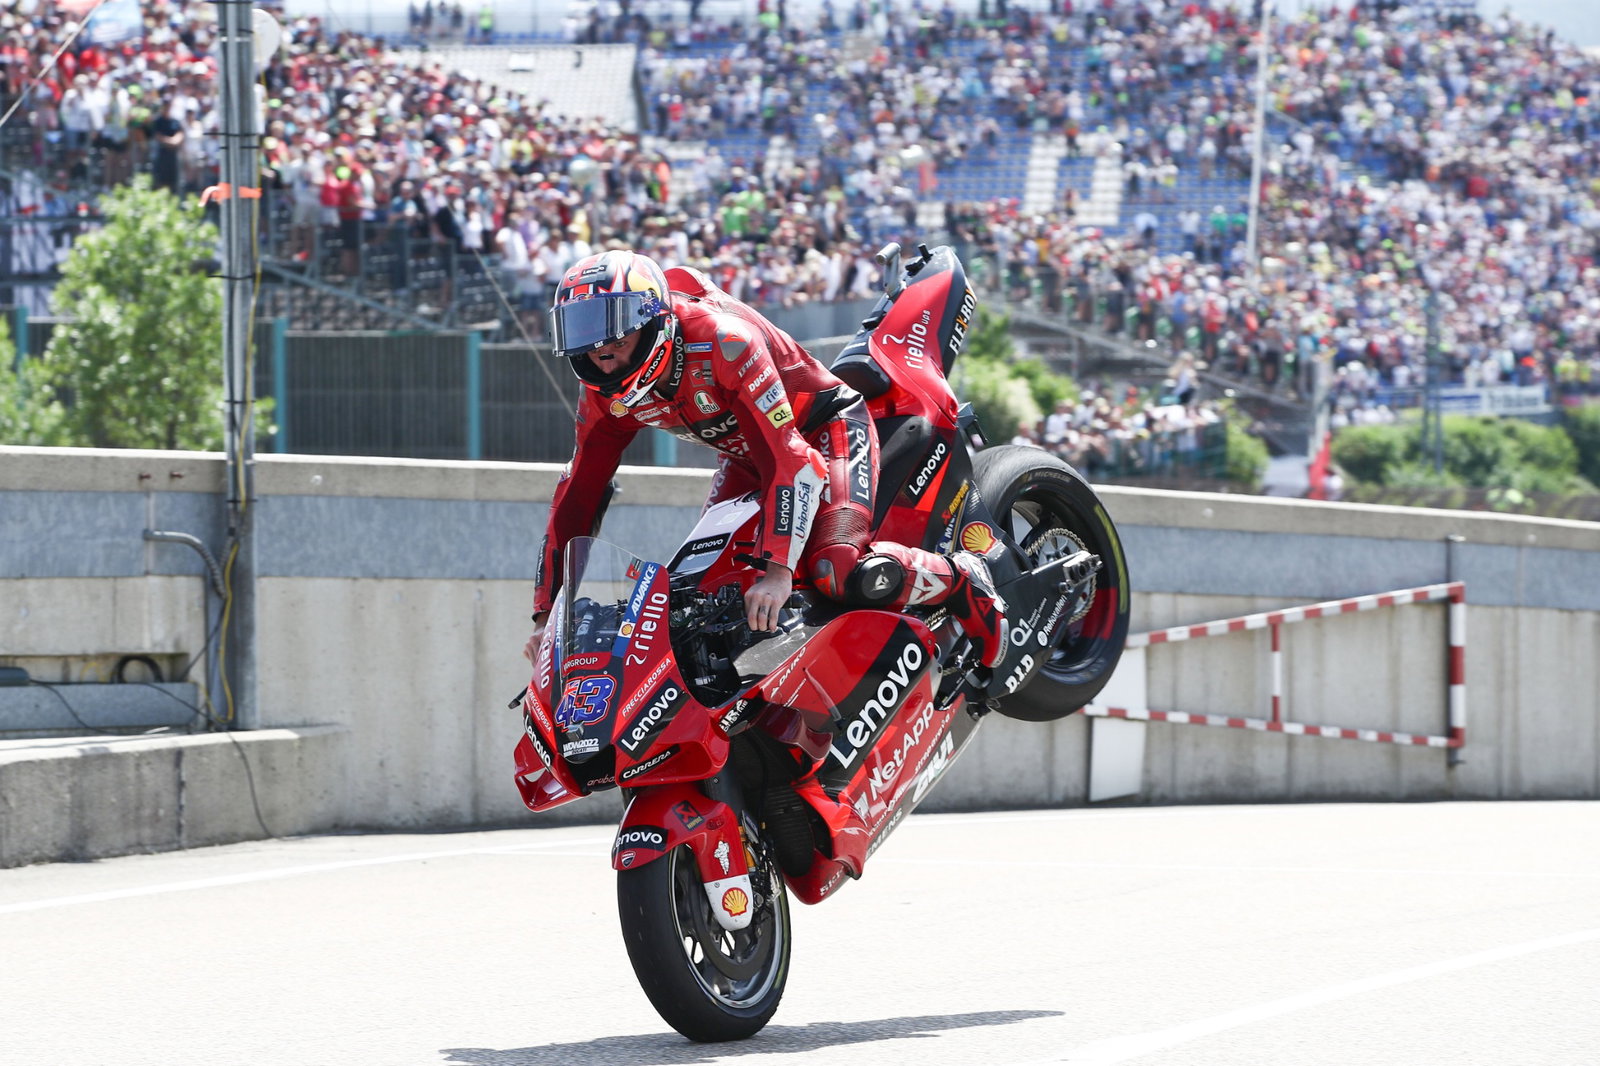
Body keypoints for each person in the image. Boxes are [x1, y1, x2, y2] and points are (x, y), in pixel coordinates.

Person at [522, 249, 1008, 669]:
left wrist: (777, 573)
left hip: (821, 432)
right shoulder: (601, 395)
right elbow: (577, 497)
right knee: (699, 594)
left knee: (834, 569)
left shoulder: (724, 343)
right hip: (747, 458)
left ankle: (964, 580)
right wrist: (548, 619)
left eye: (613, 331)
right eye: (584, 332)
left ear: (650, 319)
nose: (601, 350)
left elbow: (791, 458)